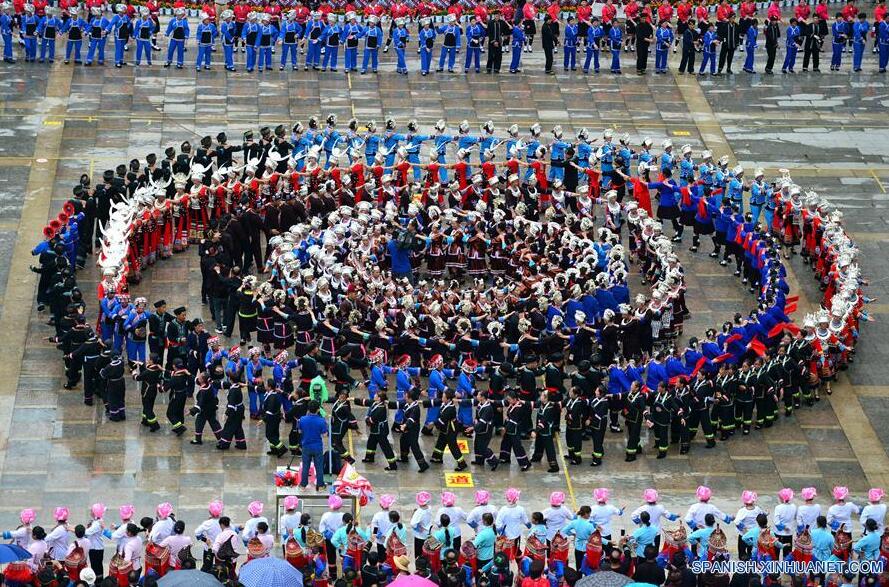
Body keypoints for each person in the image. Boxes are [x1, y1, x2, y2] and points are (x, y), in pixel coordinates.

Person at [299, 400, 329, 490]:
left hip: (306, 446)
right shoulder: (321, 421)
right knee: (319, 466)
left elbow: (300, 431)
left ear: (308, 409)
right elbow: (324, 434)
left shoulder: (302, 419)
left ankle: (303, 485)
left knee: (305, 466)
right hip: (317, 447)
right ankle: (320, 485)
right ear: (318, 409)